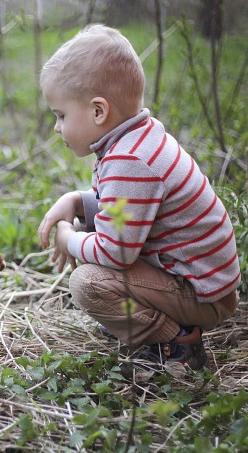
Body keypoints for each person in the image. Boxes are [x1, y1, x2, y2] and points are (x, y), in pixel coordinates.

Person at [37, 24, 240, 372]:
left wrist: (70, 239)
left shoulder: (129, 161)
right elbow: (120, 211)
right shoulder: (135, 141)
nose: (57, 128)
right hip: (199, 282)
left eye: (61, 116)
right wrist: (76, 201)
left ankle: (175, 341)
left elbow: (115, 251)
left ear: (98, 111)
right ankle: (140, 316)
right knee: (93, 247)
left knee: (89, 284)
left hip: (201, 295)